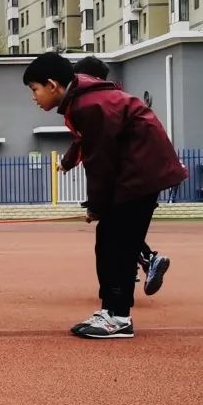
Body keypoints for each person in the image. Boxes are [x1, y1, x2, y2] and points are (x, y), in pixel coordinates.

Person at [23, 52, 187, 339]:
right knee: (112, 242)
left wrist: (97, 206)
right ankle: (113, 310)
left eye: (34, 89)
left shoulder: (89, 105)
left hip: (140, 174)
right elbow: (92, 147)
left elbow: (101, 161)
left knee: (116, 245)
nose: (33, 98)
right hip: (138, 171)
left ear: (52, 85)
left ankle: (118, 316)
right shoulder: (83, 98)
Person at [62, 56, 171, 296]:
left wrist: (95, 204)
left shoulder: (96, 105)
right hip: (142, 177)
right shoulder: (111, 99)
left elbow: (96, 153)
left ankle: (123, 293)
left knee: (116, 233)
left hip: (133, 180)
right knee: (118, 232)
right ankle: (137, 267)